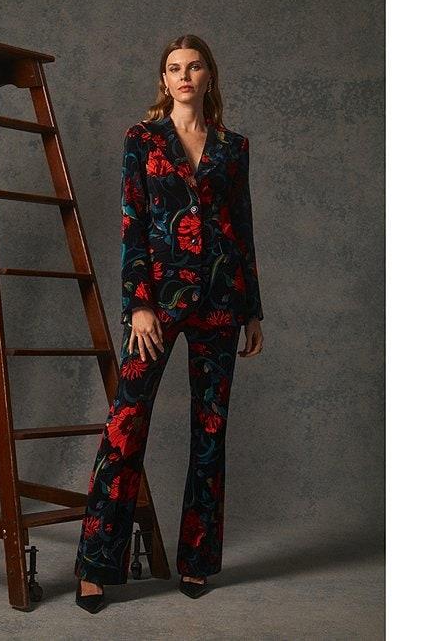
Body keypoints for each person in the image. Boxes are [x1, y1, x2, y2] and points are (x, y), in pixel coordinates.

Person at [74, 33, 264, 613]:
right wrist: (138, 303)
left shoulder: (233, 147)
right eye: (174, 67)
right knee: (126, 422)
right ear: (164, 80)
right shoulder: (142, 139)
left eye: (194, 66)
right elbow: (132, 221)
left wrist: (253, 309)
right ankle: (96, 565)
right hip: (157, 301)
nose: (184, 75)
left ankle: (197, 560)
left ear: (209, 76)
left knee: (210, 431)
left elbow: (242, 227)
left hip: (223, 300)